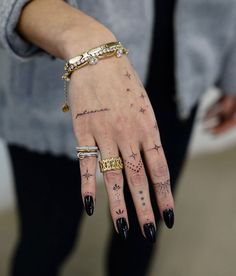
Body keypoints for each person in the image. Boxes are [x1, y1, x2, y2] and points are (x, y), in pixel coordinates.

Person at [0, 0, 235, 276]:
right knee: (47, 239)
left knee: (144, 227)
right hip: (56, 82)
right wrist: (80, 35)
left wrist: (232, 67)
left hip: (180, 66)